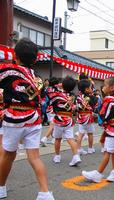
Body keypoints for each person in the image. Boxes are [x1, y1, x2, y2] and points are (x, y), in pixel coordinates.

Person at [0, 38, 54, 199]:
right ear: (36, 59)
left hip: (14, 118)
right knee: (35, 157)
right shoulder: (37, 78)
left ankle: (1, 188)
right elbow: (41, 97)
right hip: (34, 120)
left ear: (15, 55)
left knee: (8, 154)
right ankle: (45, 192)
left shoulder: (8, 70)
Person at [82, 77, 114, 183]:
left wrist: (96, 116)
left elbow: (103, 114)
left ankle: (98, 173)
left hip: (113, 129)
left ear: (111, 88)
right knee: (113, 151)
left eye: (105, 85)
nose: (103, 88)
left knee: (107, 151)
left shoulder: (108, 99)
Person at [50, 76, 81, 166]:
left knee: (58, 139)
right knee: (70, 139)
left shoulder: (57, 95)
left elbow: (49, 94)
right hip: (69, 120)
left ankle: (57, 156)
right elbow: (75, 108)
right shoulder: (73, 96)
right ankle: (76, 156)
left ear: (62, 85)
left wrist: (57, 86)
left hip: (59, 119)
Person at [76, 79, 98, 155]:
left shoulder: (78, 96)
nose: (91, 89)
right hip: (88, 117)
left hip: (81, 117)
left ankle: (78, 149)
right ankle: (90, 148)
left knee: (80, 134)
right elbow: (95, 105)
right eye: (90, 87)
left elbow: (77, 107)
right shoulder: (90, 97)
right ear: (86, 89)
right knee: (90, 133)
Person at [40, 77, 61, 147]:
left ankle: (53, 138)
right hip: (54, 109)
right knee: (53, 125)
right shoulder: (57, 90)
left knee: (52, 125)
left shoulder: (47, 89)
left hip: (48, 108)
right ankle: (45, 138)